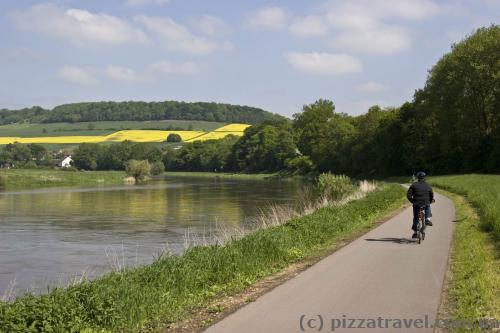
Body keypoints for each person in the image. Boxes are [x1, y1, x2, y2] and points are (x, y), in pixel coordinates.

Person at [407, 171, 435, 238]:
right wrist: (430, 201)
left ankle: (415, 232)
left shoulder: (413, 185)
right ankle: (427, 219)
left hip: (416, 203)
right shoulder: (428, 186)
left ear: (417, 178)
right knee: (428, 206)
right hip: (425, 202)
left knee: (416, 217)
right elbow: (431, 195)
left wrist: (413, 201)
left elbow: (408, 195)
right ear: (424, 178)